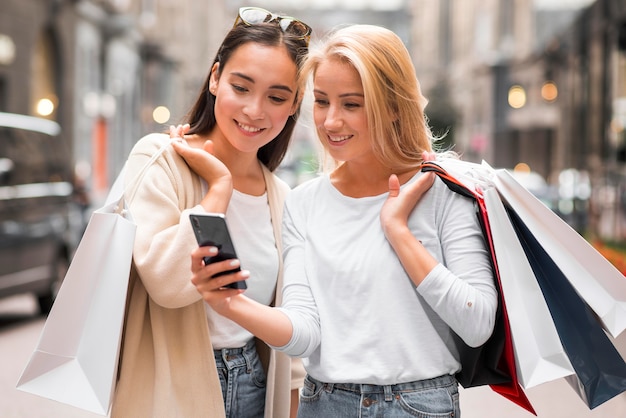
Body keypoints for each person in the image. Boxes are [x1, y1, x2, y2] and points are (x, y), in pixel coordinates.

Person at [189, 24, 498, 417]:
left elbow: (477, 323)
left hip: (418, 405)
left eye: (351, 104)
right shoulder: (303, 203)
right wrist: (229, 302)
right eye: (321, 102)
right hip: (325, 403)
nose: (331, 121)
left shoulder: (442, 190)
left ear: (392, 106)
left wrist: (398, 232)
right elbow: (304, 335)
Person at [111, 7, 310, 418]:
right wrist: (218, 190)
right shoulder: (159, 159)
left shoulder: (284, 197)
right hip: (168, 390)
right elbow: (165, 282)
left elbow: (289, 328)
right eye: (242, 87)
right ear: (216, 78)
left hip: (255, 383)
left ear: (294, 105)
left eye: (276, 97)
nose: (255, 111)